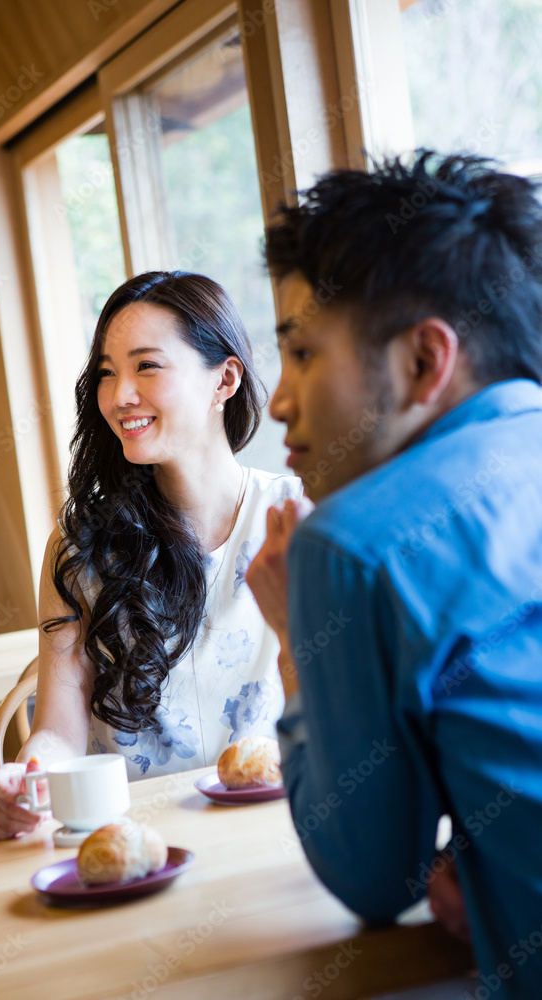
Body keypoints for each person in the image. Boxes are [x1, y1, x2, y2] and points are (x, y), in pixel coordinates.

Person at [246, 151, 542, 999]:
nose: (277, 400)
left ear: (422, 362)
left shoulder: (352, 546)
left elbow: (372, 879)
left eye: (301, 351)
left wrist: (296, 644)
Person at [0, 270, 301, 840]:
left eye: (146, 366)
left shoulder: (293, 519)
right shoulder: (81, 543)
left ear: (224, 379)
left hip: (275, 824)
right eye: (107, 373)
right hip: (133, 838)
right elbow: (60, 724)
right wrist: (28, 776)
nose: (118, 395)